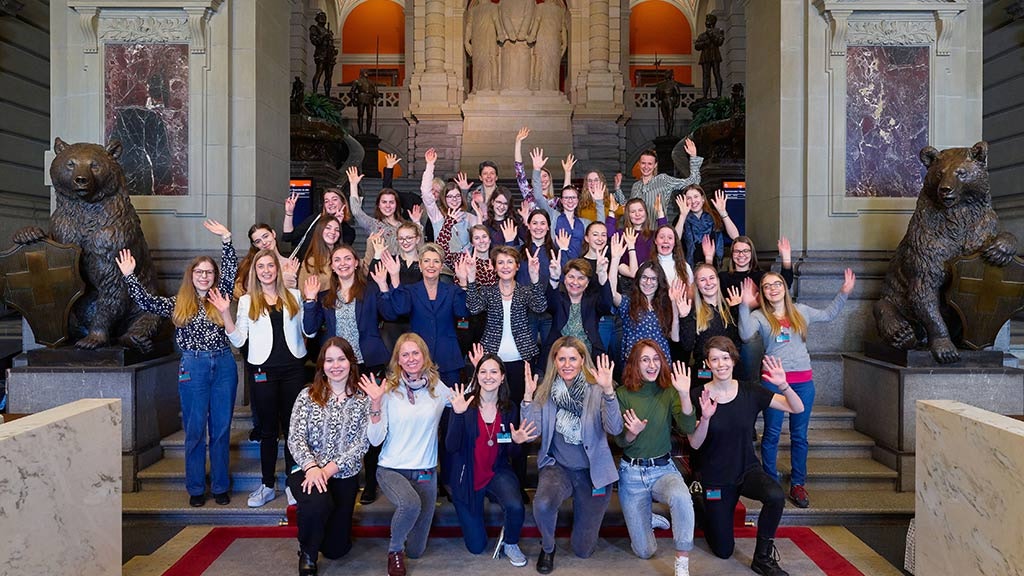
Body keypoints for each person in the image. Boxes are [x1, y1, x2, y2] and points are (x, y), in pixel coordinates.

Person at [116, 220, 237, 507]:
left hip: (223, 365)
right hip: (192, 367)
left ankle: (220, 486)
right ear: (191, 276)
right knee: (195, 430)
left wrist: (227, 239)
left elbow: (231, 269)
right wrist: (130, 276)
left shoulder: (222, 297)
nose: (204, 276)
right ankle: (196, 488)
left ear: (215, 276)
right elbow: (146, 302)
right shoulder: (176, 303)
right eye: (199, 272)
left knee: (220, 430)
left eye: (209, 272)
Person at [739, 268, 855, 510]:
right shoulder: (760, 316)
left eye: (777, 284)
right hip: (773, 381)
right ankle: (770, 481)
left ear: (784, 287)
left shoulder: (801, 311)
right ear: (762, 292)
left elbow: (829, 315)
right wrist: (744, 305)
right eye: (767, 286)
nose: (773, 288)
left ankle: (798, 483)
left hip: (802, 382)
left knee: (799, 435)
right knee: (771, 434)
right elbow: (745, 333)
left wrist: (843, 292)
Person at [688, 336, 804, 576]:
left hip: (746, 469)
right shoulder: (698, 395)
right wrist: (706, 418)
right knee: (724, 550)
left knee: (775, 496)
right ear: (707, 364)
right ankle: (702, 504)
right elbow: (695, 444)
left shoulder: (751, 390)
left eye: (725, 357)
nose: (721, 364)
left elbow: (797, 407)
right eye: (714, 359)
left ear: (733, 359)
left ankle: (763, 558)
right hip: (716, 477)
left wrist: (784, 385)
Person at [302, 245, 397, 505]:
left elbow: (391, 313)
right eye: (337, 260)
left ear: (356, 263)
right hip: (337, 369)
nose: (342, 263)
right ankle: (344, 475)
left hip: (368, 364)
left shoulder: (371, 290)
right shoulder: (324, 296)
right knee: (343, 422)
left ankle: (371, 481)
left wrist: (385, 286)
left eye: (348, 259)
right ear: (331, 266)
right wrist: (309, 300)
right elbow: (310, 330)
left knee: (371, 421)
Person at [213, 249, 307, 508]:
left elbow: (308, 330)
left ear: (278, 269)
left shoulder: (295, 296)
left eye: (270, 266)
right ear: (255, 271)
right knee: (267, 431)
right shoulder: (245, 301)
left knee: (293, 430)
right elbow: (240, 340)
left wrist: (310, 303)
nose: (266, 270)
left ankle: (292, 483)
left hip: (292, 369)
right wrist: (225, 314)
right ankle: (267, 484)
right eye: (261, 267)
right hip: (262, 370)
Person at [521, 337, 622, 573]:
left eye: (573, 358)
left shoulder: (597, 388)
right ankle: (547, 547)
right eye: (562, 358)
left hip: (592, 472)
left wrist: (608, 392)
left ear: (582, 360)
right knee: (543, 504)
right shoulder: (545, 391)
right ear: (554, 361)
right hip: (559, 469)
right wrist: (527, 397)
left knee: (583, 550)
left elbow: (615, 429)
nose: (567, 364)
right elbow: (531, 431)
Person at [359, 334, 454, 576]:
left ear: (424, 357)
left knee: (417, 550)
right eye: (405, 355)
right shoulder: (388, 391)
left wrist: (477, 373)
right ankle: (394, 551)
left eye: (415, 353)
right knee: (410, 505)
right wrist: (376, 404)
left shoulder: (438, 388)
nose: (411, 359)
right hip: (392, 468)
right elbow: (375, 439)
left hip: (425, 471)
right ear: (398, 360)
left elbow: (463, 401)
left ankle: (405, 548)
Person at [286, 337, 370, 576]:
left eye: (341, 359)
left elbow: (362, 443)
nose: (336, 365)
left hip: (343, 474)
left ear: (351, 362)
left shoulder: (363, 399)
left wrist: (329, 469)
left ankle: (319, 529)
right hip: (306, 470)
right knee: (318, 503)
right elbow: (295, 438)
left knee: (336, 550)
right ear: (322, 364)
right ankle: (308, 553)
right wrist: (313, 468)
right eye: (329, 360)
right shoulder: (307, 395)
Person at [446, 352, 539, 566]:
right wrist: (457, 415)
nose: (488, 376)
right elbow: (451, 446)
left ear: (503, 376)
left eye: (494, 372)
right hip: (467, 476)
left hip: (496, 471)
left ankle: (511, 543)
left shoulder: (509, 409)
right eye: (483, 371)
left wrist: (517, 442)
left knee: (516, 506)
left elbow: (511, 454)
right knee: (477, 547)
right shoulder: (465, 405)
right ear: (477, 376)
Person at [615, 341, 696, 576]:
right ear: (635, 364)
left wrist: (684, 393)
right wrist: (633, 431)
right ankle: (649, 518)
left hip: (663, 469)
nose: (652, 365)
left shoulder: (669, 391)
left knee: (681, 496)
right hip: (631, 474)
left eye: (656, 359)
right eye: (645, 360)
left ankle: (682, 560)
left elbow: (687, 426)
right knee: (644, 551)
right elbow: (620, 441)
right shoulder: (622, 394)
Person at [382, 244, 470, 386]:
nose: (431, 265)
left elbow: (462, 313)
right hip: (419, 359)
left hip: (448, 357)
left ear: (441, 267)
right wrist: (394, 277)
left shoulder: (452, 290)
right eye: (427, 261)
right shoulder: (410, 290)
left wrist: (463, 282)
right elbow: (400, 310)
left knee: (452, 403)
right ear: (420, 265)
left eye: (436, 261)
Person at [608, 231, 686, 364]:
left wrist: (674, 305)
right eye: (644, 277)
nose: (648, 283)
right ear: (638, 280)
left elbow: (675, 337)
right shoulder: (628, 303)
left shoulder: (665, 304)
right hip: (634, 363)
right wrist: (615, 259)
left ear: (659, 281)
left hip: (660, 363)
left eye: (653, 279)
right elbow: (611, 292)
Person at [613, 142, 703, 228]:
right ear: (639, 164)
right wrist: (617, 188)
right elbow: (628, 207)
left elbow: (693, 182)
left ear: (655, 165)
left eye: (650, 164)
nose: (646, 167)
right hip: (638, 235)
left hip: (658, 234)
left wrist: (693, 156)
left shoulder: (664, 180)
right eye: (643, 163)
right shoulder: (636, 186)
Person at [679, 263, 739, 386]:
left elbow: (737, 343)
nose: (708, 283)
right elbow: (687, 346)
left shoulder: (730, 307)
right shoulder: (692, 311)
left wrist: (738, 309)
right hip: (703, 373)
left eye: (711, 278)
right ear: (697, 285)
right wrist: (684, 318)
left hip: (728, 371)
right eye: (702, 280)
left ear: (717, 280)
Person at [543, 257, 612, 361]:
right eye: (571, 277)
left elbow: (606, 305)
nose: (575, 282)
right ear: (565, 279)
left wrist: (602, 275)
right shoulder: (558, 299)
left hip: (588, 358)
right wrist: (554, 277)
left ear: (587, 283)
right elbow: (550, 303)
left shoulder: (593, 301)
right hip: (559, 358)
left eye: (581, 278)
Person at [348, 166, 416, 255]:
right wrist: (353, 185)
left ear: (396, 205)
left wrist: (417, 222)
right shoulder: (374, 225)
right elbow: (357, 212)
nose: (388, 206)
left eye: (391, 202)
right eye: (384, 202)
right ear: (379, 205)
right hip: (379, 267)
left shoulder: (404, 226)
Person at [283, 187, 356, 262]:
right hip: (304, 266)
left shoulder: (348, 231)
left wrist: (337, 223)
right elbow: (289, 236)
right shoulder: (315, 218)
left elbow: (338, 253)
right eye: (326, 201)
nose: (330, 203)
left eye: (334, 199)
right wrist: (289, 213)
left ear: (343, 203)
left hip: (325, 270)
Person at [675, 185, 740, 268]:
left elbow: (735, 236)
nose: (693, 201)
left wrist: (723, 212)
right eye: (689, 198)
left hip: (713, 266)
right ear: (685, 201)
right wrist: (683, 216)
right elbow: (675, 239)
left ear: (702, 199)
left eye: (696, 196)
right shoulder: (681, 218)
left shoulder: (714, 216)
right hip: (688, 267)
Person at [421, 148, 471, 254]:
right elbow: (426, 193)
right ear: (444, 198)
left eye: (457, 196)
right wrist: (430, 165)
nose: (454, 200)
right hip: (443, 267)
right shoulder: (437, 216)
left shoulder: (469, 217)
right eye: (450, 196)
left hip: (465, 267)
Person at [237, 224, 298, 296]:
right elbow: (253, 295)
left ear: (273, 234)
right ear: (255, 245)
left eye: (266, 236)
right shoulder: (254, 266)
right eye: (258, 241)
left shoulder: (290, 263)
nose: (264, 242)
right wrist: (287, 282)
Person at [297, 216, 341, 290]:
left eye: (337, 230)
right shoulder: (311, 261)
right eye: (328, 228)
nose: (333, 232)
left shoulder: (344, 257)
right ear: (320, 230)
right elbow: (303, 292)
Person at [694, 13, 725, 100]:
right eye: (706, 20)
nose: (707, 22)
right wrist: (704, 43)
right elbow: (696, 46)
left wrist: (711, 35)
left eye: (709, 20)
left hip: (715, 55)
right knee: (705, 75)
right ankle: (705, 95)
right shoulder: (702, 35)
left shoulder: (719, 31)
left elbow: (719, 42)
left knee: (716, 73)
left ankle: (719, 94)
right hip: (705, 56)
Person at [349, 70, 379, 134]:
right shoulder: (357, 81)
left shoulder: (371, 82)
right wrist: (353, 99)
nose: (366, 73)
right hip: (361, 98)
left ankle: (368, 131)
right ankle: (360, 131)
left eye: (367, 72)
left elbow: (374, 92)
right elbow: (352, 91)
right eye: (365, 72)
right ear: (361, 73)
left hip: (370, 99)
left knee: (370, 115)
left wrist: (376, 95)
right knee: (360, 115)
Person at [655, 70, 682, 137]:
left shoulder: (674, 84)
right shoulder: (661, 85)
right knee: (665, 118)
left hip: (670, 100)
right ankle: (667, 132)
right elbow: (657, 94)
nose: (666, 75)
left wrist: (677, 102)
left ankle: (670, 133)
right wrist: (658, 98)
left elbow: (678, 94)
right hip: (664, 101)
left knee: (670, 117)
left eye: (668, 74)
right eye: (666, 74)